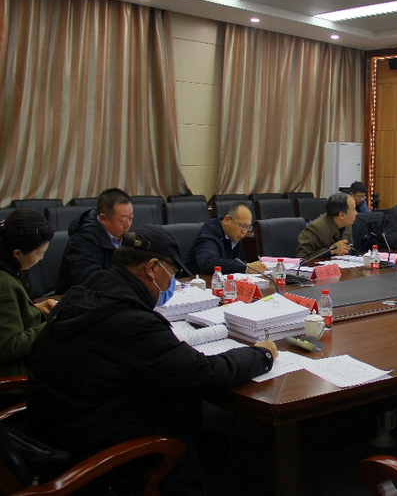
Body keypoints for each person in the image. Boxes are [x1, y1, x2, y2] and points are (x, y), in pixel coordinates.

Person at [28, 224, 278, 495]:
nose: (171, 283)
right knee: (212, 444)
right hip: (102, 452)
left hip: (59, 430)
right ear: (152, 268)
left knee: (206, 435)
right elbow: (204, 373)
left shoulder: (82, 293)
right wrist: (261, 354)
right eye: (171, 274)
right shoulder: (132, 322)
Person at [0, 209, 56, 377]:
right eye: (40, 253)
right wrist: (54, 322)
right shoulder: (4, 284)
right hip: (16, 375)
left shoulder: (6, 269)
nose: (42, 258)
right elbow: (10, 346)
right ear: (17, 253)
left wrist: (33, 308)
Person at [55, 188, 134, 294]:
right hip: (78, 298)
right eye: (122, 221)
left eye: (130, 218)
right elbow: (89, 279)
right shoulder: (82, 241)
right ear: (103, 219)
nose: (128, 225)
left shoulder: (125, 237)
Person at [184, 202, 265, 275]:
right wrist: (245, 267)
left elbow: (240, 260)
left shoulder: (234, 234)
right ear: (227, 220)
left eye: (247, 227)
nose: (244, 232)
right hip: (198, 282)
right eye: (242, 226)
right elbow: (207, 263)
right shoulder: (208, 235)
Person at [296, 192, 356, 260]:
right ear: (341, 215)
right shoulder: (315, 228)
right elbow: (302, 257)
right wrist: (330, 250)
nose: (356, 213)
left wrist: (347, 250)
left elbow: (351, 247)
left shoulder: (347, 225)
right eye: (354, 210)